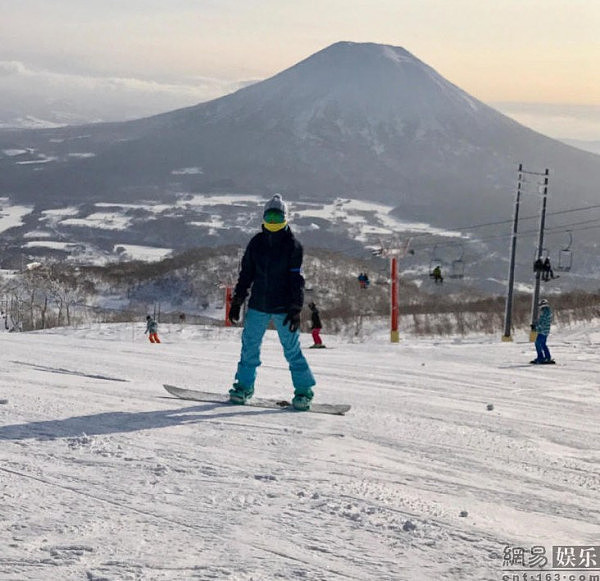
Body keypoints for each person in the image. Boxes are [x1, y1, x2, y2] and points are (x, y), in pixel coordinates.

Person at [228, 194, 316, 411]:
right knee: (249, 348)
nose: (274, 222)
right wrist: (238, 300)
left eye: (278, 218)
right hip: (258, 305)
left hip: (284, 308)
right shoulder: (256, 243)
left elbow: (297, 280)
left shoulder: (293, 246)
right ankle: (243, 388)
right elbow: (246, 274)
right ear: (264, 219)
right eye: (270, 218)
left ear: (286, 219)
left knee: (292, 350)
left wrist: (296, 308)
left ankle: (304, 392)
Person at [531, 299, 553, 364]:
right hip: (545, 331)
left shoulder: (545, 312)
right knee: (542, 344)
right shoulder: (547, 312)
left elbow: (542, 323)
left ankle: (542, 357)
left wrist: (535, 327)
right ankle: (546, 357)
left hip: (542, 331)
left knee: (538, 343)